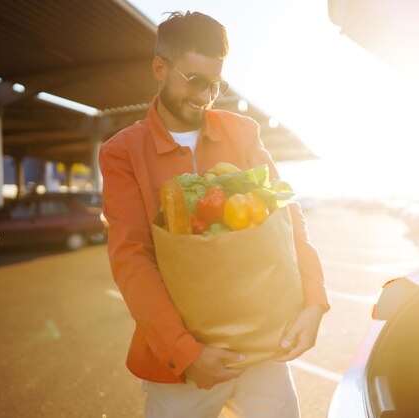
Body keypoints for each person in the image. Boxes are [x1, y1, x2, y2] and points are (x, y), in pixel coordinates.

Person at [99, 11, 330, 418]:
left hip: (261, 348)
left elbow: (287, 213)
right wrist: (185, 353)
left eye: (215, 84)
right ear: (159, 68)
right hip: (183, 366)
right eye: (194, 81)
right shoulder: (123, 152)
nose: (205, 96)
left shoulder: (243, 132)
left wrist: (314, 303)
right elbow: (131, 258)